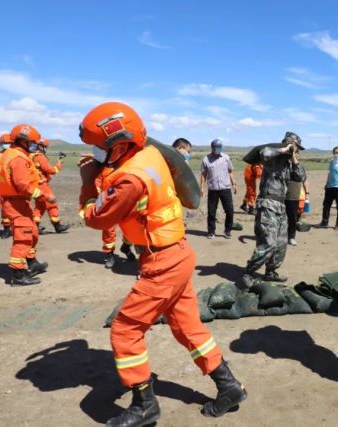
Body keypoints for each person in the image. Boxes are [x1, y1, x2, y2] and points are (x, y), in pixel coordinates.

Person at [78, 102, 247, 426]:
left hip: (163, 262)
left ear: (120, 143)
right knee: (187, 327)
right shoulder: (149, 155)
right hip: (177, 253)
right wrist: (103, 169)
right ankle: (229, 387)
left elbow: (96, 218)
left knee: (125, 330)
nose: (96, 152)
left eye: (100, 146)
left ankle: (145, 406)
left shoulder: (129, 178)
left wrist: (88, 183)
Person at [242, 132, 306, 286]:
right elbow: (263, 153)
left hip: (281, 206)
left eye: (297, 149)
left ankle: (270, 271)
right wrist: (284, 150)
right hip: (268, 204)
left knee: (280, 244)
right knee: (268, 243)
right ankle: (249, 273)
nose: (296, 150)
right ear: (288, 144)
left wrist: (295, 160)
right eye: (296, 147)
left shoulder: (290, 162)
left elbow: (300, 177)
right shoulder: (273, 156)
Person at [0, 124, 49, 286]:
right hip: (15, 203)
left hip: (18, 202)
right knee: (23, 236)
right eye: (32, 142)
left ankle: (32, 263)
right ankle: (18, 274)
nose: (34, 145)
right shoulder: (18, 158)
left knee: (32, 232)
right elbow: (22, 185)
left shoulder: (13, 154)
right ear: (22, 141)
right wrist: (42, 194)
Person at [95, 167, 136, 269]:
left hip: (127, 202)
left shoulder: (130, 165)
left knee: (132, 227)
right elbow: (98, 184)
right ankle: (109, 255)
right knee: (109, 230)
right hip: (110, 204)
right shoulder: (105, 169)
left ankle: (126, 247)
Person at [30, 138, 69, 234]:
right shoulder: (40, 156)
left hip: (36, 185)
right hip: (42, 185)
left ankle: (35, 226)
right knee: (52, 202)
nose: (46, 149)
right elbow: (50, 170)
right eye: (45, 147)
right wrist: (58, 165)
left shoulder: (32, 156)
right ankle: (57, 225)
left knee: (40, 206)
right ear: (40, 146)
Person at [200, 139, 236, 239]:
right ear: (212, 148)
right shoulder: (206, 159)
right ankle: (211, 232)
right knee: (211, 212)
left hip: (225, 188)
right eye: (216, 147)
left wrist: (234, 184)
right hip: (213, 189)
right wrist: (202, 187)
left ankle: (227, 231)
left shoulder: (226, 157)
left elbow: (230, 171)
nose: (218, 149)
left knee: (229, 210)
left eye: (220, 147)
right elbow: (203, 174)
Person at [319, 146, 338, 230]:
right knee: (326, 205)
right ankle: (324, 222)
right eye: (335, 153)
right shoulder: (331, 162)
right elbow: (330, 173)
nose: (336, 154)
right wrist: (326, 184)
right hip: (330, 187)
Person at [285, 152, 309, 246]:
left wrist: (307, 193)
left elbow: (305, 180)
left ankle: (291, 237)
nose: (294, 155)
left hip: (293, 196)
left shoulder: (299, 167)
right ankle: (280, 236)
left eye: (296, 153)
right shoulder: (282, 166)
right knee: (280, 218)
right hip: (280, 195)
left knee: (292, 218)